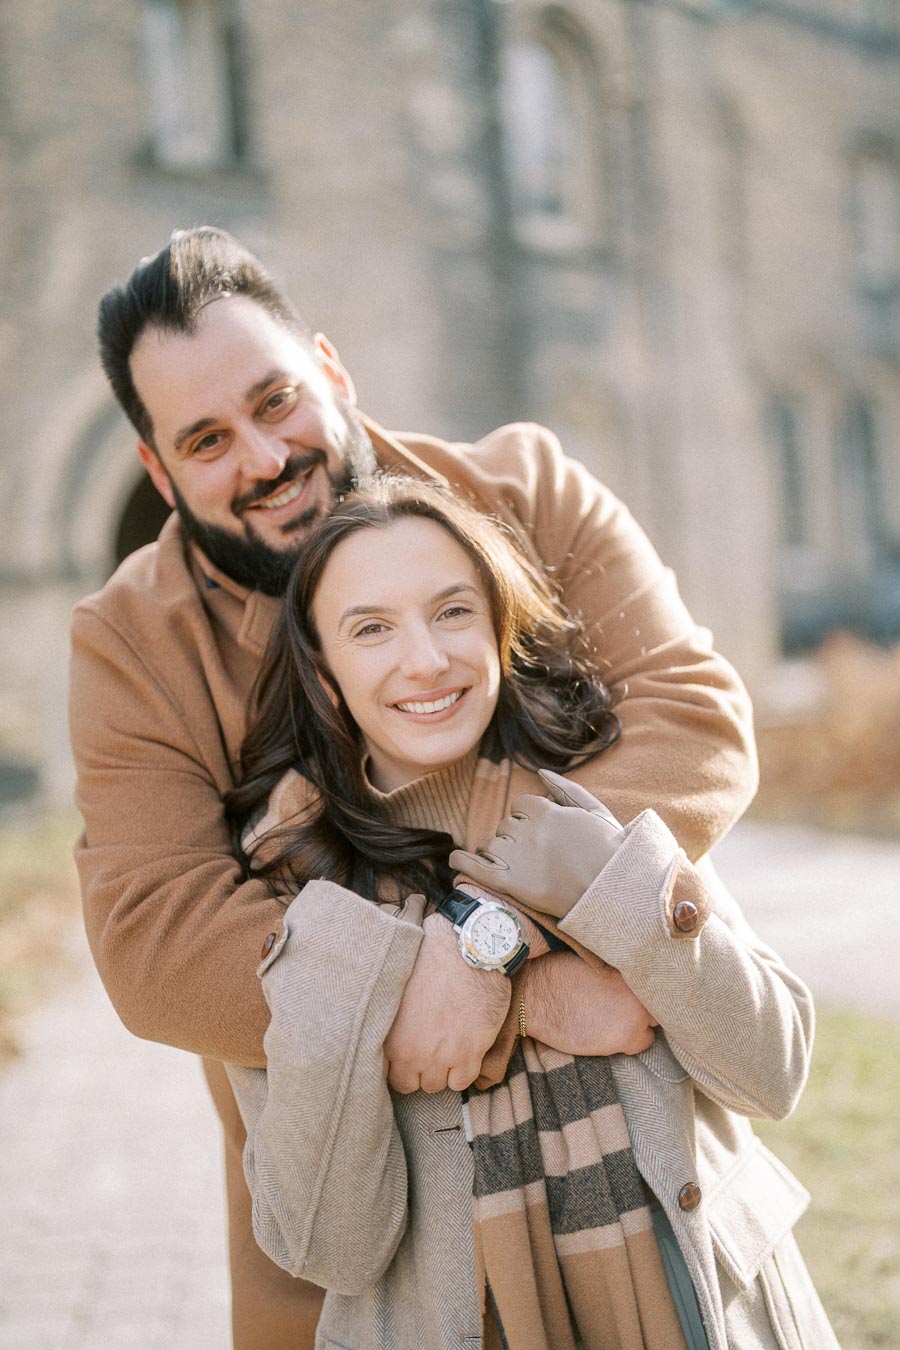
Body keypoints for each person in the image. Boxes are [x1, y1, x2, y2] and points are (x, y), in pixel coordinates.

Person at [70, 226, 759, 1348]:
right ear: (159, 472)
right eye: (205, 440)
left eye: (277, 400)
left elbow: (693, 716)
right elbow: (154, 941)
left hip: (635, 1160)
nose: (261, 456)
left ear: (332, 372)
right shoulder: (127, 645)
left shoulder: (528, 489)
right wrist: (459, 989)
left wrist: (490, 936)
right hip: (360, 1231)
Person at [222, 474, 838, 1350]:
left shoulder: (600, 798)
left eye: (452, 612)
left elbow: (772, 1070)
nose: (426, 659)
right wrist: (511, 990)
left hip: (703, 1313)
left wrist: (621, 887)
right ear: (323, 673)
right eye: (371, 629)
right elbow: (330, 1247)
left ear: (497, 625)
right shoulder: (294, 889)